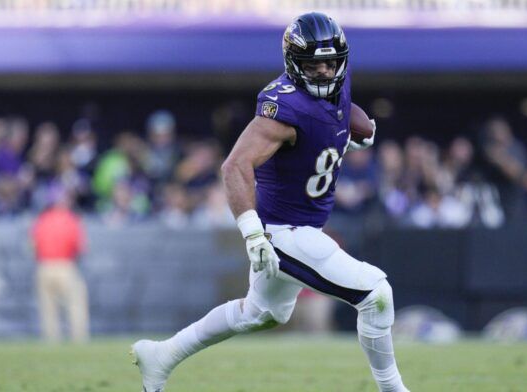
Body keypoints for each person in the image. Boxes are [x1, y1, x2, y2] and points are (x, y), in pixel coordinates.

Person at [132, 12, 409, 392]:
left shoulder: (333, 82)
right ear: (295, 66)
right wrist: (252, 235)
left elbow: (341, 107)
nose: (327, 72)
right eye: (315, 66)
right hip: (282, 234)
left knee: (260, 313)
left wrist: (353, 129)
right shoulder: (284, 109)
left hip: (304, 226)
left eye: (332, 63)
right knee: (376, 295)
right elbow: (235, 166)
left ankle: (161, 356)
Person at [31, 189, 89, 343]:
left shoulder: (42, 219)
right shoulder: (71, 219)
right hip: (65, 265)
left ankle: (51, 339)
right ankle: (78, 338)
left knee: (48, 308)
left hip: (44, 266)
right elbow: (80, 247)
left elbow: (33, 245)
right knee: (75, 305)